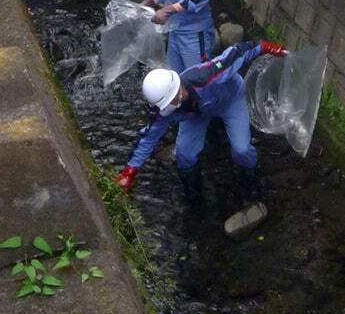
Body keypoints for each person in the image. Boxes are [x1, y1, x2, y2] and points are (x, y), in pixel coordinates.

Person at [114, 38, 289, 203]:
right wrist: (130, 171)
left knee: (241, 150)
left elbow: (238, 53)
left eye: (171, 102)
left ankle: (252, 184)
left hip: (231, 100)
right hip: (197, 115)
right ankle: (194, 198)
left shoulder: (205, 76)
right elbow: (148, 137)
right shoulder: (165, 110)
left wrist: (266, 47)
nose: (169, 107)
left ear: (177, 92)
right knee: (184, 156)